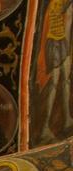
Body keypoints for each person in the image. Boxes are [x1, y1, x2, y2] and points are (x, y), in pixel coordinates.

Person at [33, 0, 71, 143]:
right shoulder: (54, 4)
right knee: (54, 84)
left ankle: (67, 118)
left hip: (62, 42)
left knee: (66, 81)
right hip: (54, 43)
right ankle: (44, 127)